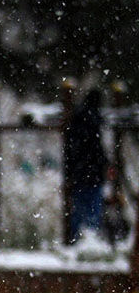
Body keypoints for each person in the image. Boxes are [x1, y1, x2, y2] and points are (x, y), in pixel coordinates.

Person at [64, 89, 106, 244]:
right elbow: (96, 148)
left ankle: (79, 239)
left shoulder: (78, 119)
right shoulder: (93, 120)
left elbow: (72, 148)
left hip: (81, 173)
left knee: (80, 208)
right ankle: (89, 240)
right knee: (92, 208)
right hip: (91, 173)